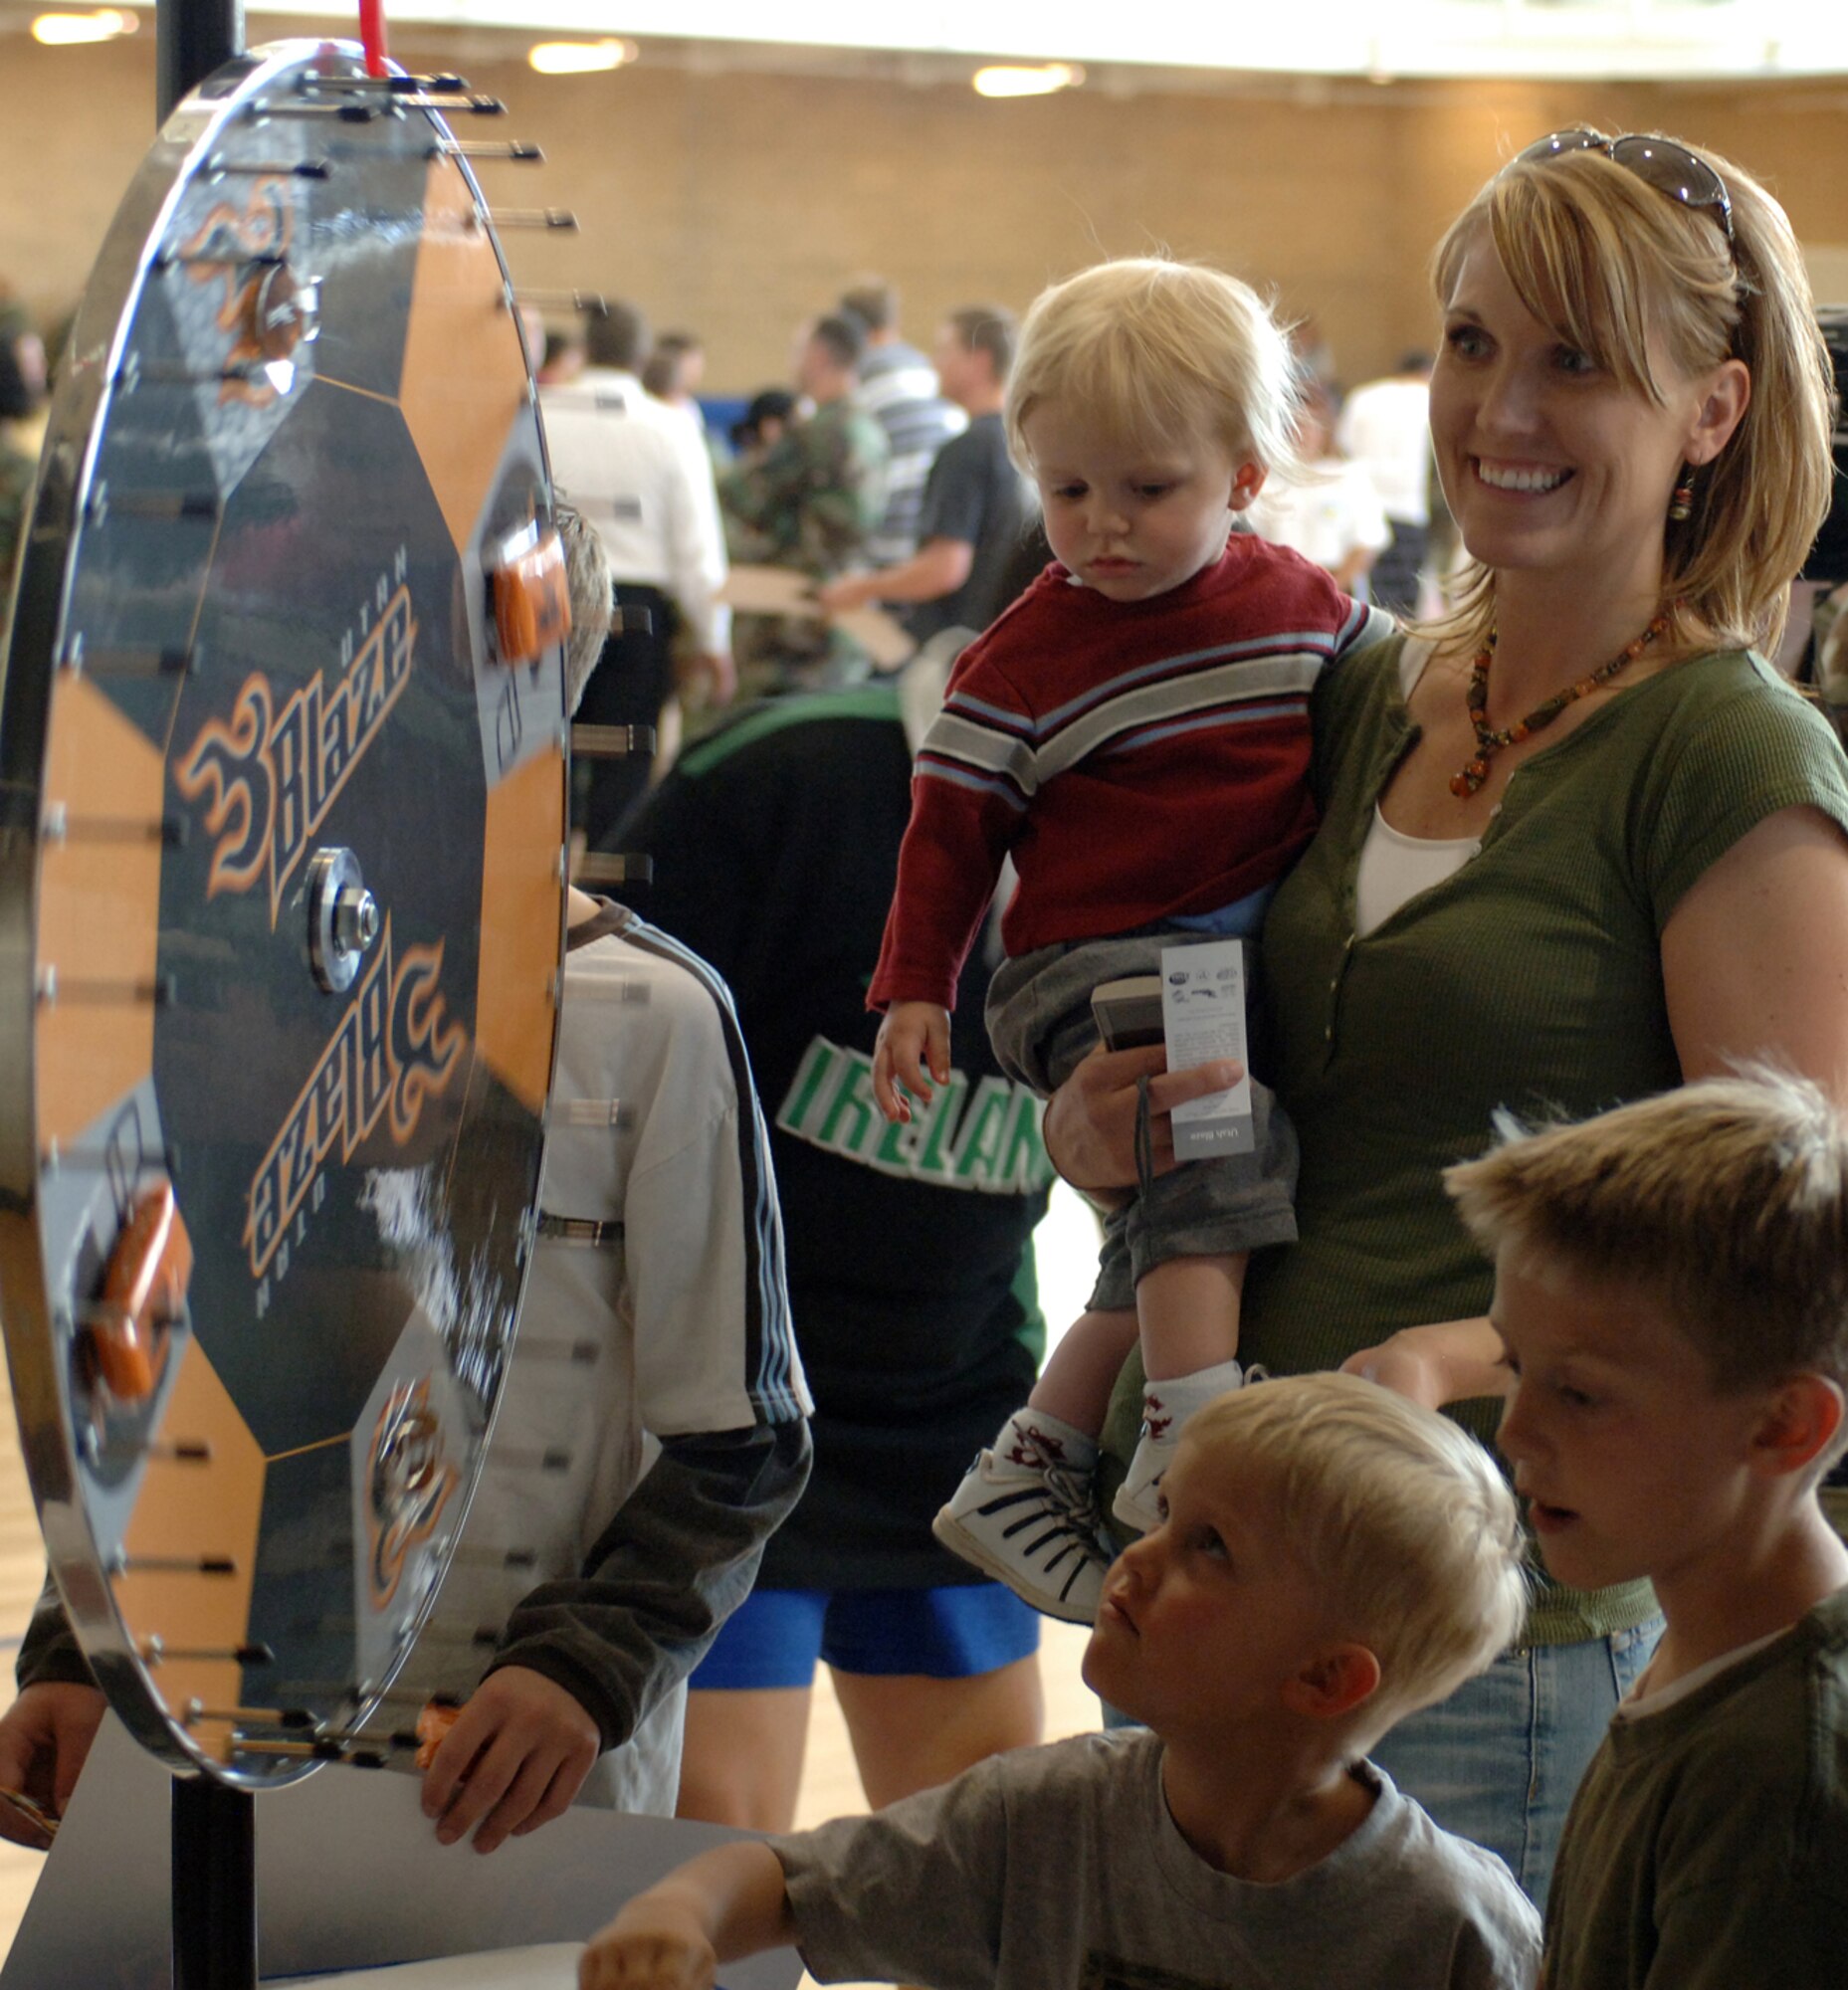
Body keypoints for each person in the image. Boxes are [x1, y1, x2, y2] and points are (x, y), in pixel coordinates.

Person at [1044, 130, 1848, 1905]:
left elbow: (1783, 1249)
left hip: (1477, 1603)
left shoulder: (1723, 755)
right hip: (1205, 1564)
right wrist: (1096, 1134)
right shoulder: (1352, 690)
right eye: (1473, 343)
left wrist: (1450, 1366)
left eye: (1575, 360)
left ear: (1710, 412)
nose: (1501, 408)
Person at [0, 506, 812, 1854]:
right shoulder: (213, 1000)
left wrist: (589, 1666)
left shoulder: (649, 1018)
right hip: (211, 1744)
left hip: (511, 1784)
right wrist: (79, 1652)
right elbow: (145, 1371)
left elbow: (747, 1436)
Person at [869, 258, 1391, 1619]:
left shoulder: (1304, 613)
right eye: (1066, 492)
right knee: (1223, 1137)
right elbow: (946, 832)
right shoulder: (1024, 660)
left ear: (1246, 474)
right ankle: (1189, 1429)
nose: (1098, 528)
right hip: (1091, 960)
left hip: (1211, 950)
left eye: (1145, 491)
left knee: (1169, 1212)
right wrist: (913, 990)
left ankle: (1035, 1455)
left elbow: (1412, 681)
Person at [579, 1373, 1541, 1990]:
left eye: (1210, 1548)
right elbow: (792, 1882)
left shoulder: (1453, 1929)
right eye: (1163, 1516)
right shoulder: (1040, 1816)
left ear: (1327, 1678)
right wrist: (681, 1911)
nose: (1136, 1559)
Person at [625, 644, 1051, 1835]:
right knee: (711, 1853)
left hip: (952, 1415)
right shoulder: (782, 780)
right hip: (726, 1423)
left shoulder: (1194, 818)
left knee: (987, 1870)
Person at [1441, 1073, 1848, 1984]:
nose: (1513, 1433)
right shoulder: (1701, 1655)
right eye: (1515, 1368)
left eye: (1579, 1394)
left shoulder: (1781, 1782)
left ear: (1783, 1426)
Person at [542, 299, 734, 845]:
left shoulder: (542, 411)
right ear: (644, 356)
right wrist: (714, 640)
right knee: (621, 770)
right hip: (636, 616)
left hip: (548, 597)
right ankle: (602, 896)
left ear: (583, 348)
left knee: (540, 757)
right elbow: (696, 547)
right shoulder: (671, 428)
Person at [817, 303, 1039, 646]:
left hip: (954, 651)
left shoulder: (966, 450)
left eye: (945, 351)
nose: (935, 363)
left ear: (978, 360)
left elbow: (945, 568)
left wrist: (861, 588)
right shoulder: (1019, 442)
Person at [719, 314, 889, 699]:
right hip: (849, 609)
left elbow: (740, 495)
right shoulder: (870, 429)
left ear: (819, 356)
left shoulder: (817, 432)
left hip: (799, 620)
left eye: (799, 350)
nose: (793, 360)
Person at [840, 278, 965, 567]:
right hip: (936, 540)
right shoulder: (929, 369)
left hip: (887, 552)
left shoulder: (856, 381)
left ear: (849, 330)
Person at [1249, 380, 1390, 597]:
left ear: (1324, 429)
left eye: (1308, 425)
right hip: (1281, 584)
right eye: (1292, 425)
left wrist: (1333, 589)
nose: (1299, 434)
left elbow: (1366, 542)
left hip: (1336, 585)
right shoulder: (1267, 481)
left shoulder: (1348, 476)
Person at [1335, 348, 1435, 616]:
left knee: (1369, 597)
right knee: (1402, 602)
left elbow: (1343, 448)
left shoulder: (1362, 396)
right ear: (1427, 374)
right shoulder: (1428, 399)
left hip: (1361, 508)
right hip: (1406, 510)